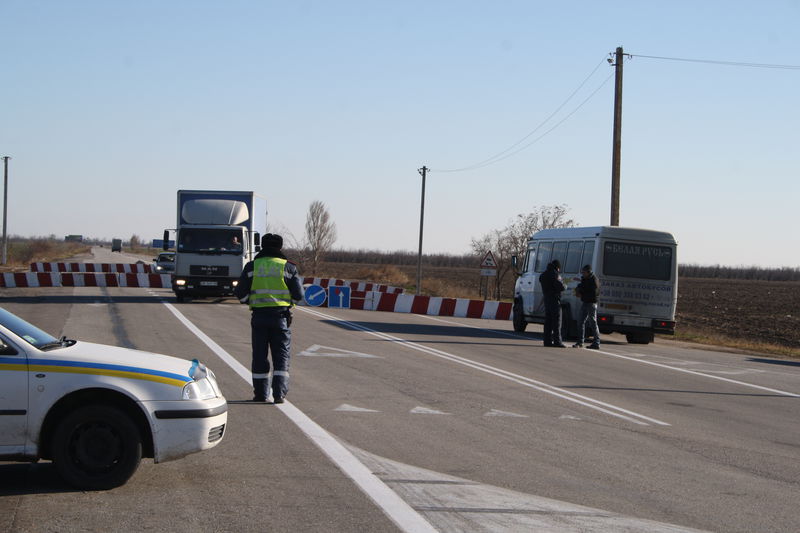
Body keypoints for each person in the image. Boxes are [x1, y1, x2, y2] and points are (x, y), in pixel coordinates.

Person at [234, 233, 304, 403]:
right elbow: (299, 295)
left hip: (259, 317)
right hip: (280, 318)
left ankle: (260, 394)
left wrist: (250, 302)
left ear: (262, 247)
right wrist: (288, 306)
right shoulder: (288, 267)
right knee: (281, 356)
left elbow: (240, 293)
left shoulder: (252, 266)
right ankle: (279, 394)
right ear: (280, 247)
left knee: (259, 356)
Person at [539, 259, 566, 347]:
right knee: (557, 322)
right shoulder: (555, 274)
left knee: (548, 322)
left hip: (546, 300)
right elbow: (561, 286)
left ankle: (547, 341)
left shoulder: (543, 275)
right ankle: (557, 342)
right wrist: (565, 285)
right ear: (557, 267)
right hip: (555, 300)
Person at [573, 265, 601, 349]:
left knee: (593, 322)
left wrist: (581, 292)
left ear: (588, 272)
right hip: (585, 302)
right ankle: (580, 342)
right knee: (580, 321)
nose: (582, 274)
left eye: (584, 272)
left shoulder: (594, 280)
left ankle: (596, 342)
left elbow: (593, 293)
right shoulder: (585, 278)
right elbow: (582, 285)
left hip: (591, 303)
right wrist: (578, 289)